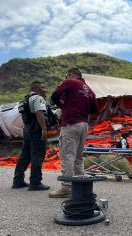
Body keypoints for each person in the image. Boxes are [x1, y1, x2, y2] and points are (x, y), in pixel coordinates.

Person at [49, 68, 98, 198]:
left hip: (70, 123)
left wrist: (64, 106)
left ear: (71, 75)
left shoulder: (70, 81)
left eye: (66, 76)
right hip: (83, 124)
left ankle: (66, 188)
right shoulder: (89, 90)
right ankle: (80, 186)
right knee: (78, 157)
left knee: (67, 156)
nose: (65, 78)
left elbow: (54, 96)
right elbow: (94, 109)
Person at [12, 81, 50, 191]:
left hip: (27, 129)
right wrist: (44, 128)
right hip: (36, 129)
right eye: (43, 87)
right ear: (36, 88)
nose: (45, 89)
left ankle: (18, 180)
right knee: (37, 155)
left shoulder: (26, 99)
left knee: (25, 155)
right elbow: (39, 113)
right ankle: (35, 182)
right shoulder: (38, 98)